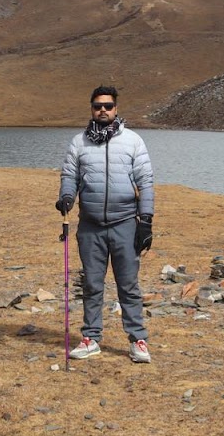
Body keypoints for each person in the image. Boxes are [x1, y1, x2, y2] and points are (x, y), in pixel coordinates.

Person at [57, 85, 155, 364]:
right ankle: (90, 338)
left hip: (125, 223)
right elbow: (69, 175)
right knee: (92, 284)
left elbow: (145, 182)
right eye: (98, 105)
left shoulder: (133, 141)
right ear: (91, 108)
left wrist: (146, 221)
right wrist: (66, 197)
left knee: (128, 285)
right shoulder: (79, 142)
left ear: (116, 109)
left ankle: (138, 340)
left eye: (108, 106)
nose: (103, 110)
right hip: (90, 225)